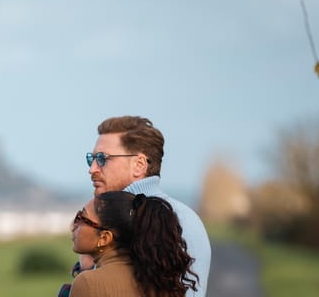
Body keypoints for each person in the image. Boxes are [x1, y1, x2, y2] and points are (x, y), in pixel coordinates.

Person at [66, 115, 211, 296]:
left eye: (102, 159)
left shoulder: (174, 221)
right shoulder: (116, 219)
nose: (92, 168)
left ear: (139, 165)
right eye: (92, 159)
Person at [70, 191, 198, 297]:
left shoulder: (88, 283)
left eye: (81, 218)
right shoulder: (160, 282)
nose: (73, 225)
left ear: (105, 238)